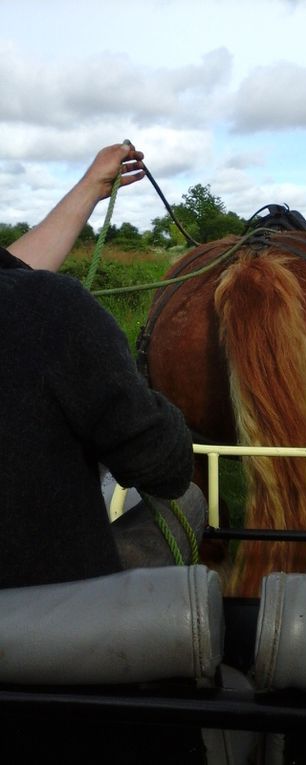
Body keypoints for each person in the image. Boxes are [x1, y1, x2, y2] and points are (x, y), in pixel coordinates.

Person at [0, 143, 205, 589]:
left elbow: (14, 270)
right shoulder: (50, 308)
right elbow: (164, 468)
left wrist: (93, 184)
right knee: (187, 501)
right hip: (54, 623)